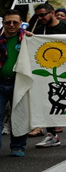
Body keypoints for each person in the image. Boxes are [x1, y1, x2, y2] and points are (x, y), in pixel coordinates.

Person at [33, 3, 66, 148]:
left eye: (43, 14)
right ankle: (51, 135)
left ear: (53, 13)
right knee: (49, 100)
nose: (40, 18)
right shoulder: (38, 30)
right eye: (38, 16)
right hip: (47, 71)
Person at [0, 10, 30, 157]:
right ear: (3, 23)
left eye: (15, 22)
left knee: (20, 115)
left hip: (19, 83)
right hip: (0, 83)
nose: (11, 25)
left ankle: (18, 146)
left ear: (20, 23)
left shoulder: (28, 39)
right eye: (8, 22)